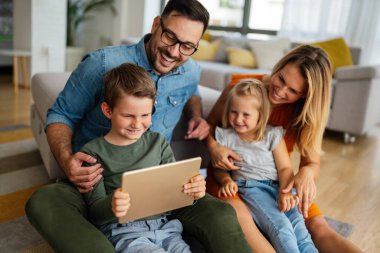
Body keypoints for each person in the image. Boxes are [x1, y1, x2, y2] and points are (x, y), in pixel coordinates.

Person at [25, 0, 251, 252]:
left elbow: (192, 91)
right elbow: (61, 114)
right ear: (156, 24)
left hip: (158, 188)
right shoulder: (102, 63)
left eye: (187, 46)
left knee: (220, 212)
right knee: (43, 201)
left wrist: (196, 115)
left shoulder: (189, 70)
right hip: (94, 183)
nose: (175, 52)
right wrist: (67, 161)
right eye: (170, 37)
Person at [205, 45, 363, 253]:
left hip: (278, 181)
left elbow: (311, 163)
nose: (279, 91)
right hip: (232, 177)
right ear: (279, 67)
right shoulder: (241, 90)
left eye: (293, 91)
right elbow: (210, 127)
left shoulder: (303, 113)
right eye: (281, 79)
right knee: (243, 217)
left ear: (305, 96)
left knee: (316, 226)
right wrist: (214, 148)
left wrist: (306, 173)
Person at [81, 62, 204, 253]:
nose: (137, 124)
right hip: (123, 232)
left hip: (166, 228)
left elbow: (175, 193)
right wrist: (112, 204)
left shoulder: (158, 142)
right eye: (128, 115)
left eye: (145, 115)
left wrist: (193, 190)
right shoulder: (93, 152)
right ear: (108, 111)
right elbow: (95, 213)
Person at [214, 79, 317, 253]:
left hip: (281, 186)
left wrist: (285, 192)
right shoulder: (225, 136)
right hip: (253, 188)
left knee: (301, 231)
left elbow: (285, 168)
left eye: (246, 115)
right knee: (281, 227)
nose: (238, 119)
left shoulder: (272, 134)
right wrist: (225, 181)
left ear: (260, 116)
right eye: (234, 112)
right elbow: (218, 167)